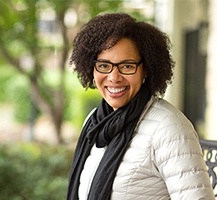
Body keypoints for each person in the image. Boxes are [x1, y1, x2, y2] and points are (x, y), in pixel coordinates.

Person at [66, 13, 215, 200]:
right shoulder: (94, 121)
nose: (114, 77)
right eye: (104, 65)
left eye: (127, 66)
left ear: (146, 69)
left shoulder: (168, 128)